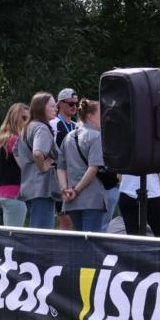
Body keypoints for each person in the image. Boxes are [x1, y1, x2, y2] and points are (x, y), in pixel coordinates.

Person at [57, 98, 106, 232]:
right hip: (91, 199)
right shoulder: (96, 137)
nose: (104, 117)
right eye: (101, 114)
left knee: (80, 242)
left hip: (71, 201)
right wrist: (77, 191)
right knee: (91, 243)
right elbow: (93, 168)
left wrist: (65, 189)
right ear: (90, 117)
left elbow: (60, 167)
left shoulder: (68, 137)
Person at [16, 92, 59, 229]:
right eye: (52, 106)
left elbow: (16, 152)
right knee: (43, 234)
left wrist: (29, 168)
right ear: (41, 108)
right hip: (42, 189)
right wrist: (42, 167)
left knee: (36, 230)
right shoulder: (42, 128)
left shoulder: (27, 127)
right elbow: (38, 153)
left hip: (29, 186)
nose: (56, 109)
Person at [0, 102, 29, 226]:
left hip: (4, 192)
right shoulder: (15, 140)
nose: (27, 122)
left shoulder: (4, 138)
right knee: (13, 236)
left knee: (9, 234)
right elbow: (26, 166)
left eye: (29, 118)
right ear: (15, 118)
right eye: (24, 118)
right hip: (15, 194)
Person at [50, 88, 78, 230]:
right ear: (60, 104)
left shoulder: (76, 126)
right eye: (70, 104)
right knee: (65, 220)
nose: (75, 107)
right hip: (57, 176)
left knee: (71, 220)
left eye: (76, 104)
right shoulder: (53, 123)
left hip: (73, 176)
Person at [117, 171, 160, 237]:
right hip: (152, 194)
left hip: (126, 193)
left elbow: (118, 175)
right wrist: (158, 190)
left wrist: (128, 186)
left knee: (133, 237)